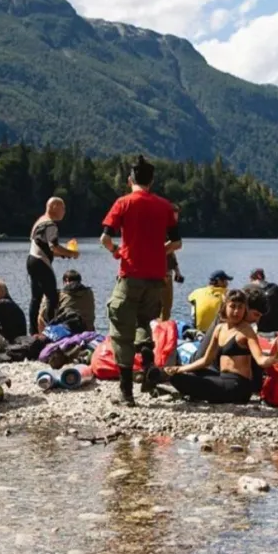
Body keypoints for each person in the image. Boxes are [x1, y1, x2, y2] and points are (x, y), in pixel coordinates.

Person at [101, 155, 181, 407]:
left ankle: (126, 394)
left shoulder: (123, 203)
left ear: (130, 180)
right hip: (156, 278)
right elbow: (177, 243)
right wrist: (159, 251)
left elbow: (104, 238)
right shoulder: (165, 206)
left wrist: (116, 251)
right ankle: (147, 362)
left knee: (120, 330)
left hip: (130, 275)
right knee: (143, 321)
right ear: (152, 180)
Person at [156, 290, 278, 404]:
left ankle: (165, 379)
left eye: (240, 308)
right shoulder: (220, 327)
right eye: (233, 307)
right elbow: (205, 359)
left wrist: (276, 357)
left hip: (237, 384)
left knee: (196, 383)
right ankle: (158, 375)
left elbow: (260, 360)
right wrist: (180, 369)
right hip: (217, 374)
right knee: (179, 378)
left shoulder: (247, 331)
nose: (236, 311)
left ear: (244, 309)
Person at [27, 197, 78, 333]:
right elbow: (54, 247)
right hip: (41, 263)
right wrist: (71, 253)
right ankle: (49, 331)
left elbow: (45, 249)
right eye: (63, 208)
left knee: (35, 298)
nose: (64, 211)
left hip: (32, 260)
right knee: (53, 298)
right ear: (54, 207)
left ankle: (33, 332)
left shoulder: (39, 222)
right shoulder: (50, 225)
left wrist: (65, 253)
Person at [43, 268, 96, 333]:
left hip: (67, 331)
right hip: (89, 330)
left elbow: (45, 313)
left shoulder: (61, 294)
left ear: (66, 280)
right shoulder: (89, 293)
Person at [246, 268, 278, 333]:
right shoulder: (275, 287)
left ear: (251, 278)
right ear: (263, 277)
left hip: (264, 328)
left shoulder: (248, 288)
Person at [160, 205, 183, 320]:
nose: (176, 219)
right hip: (158, 275)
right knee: (159, 309)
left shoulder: (170, 231)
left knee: (166, 309)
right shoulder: (160, 230)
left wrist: (177, 271)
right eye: (174, 215)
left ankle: (162, 333)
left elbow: (171, 254)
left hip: (168, 273)